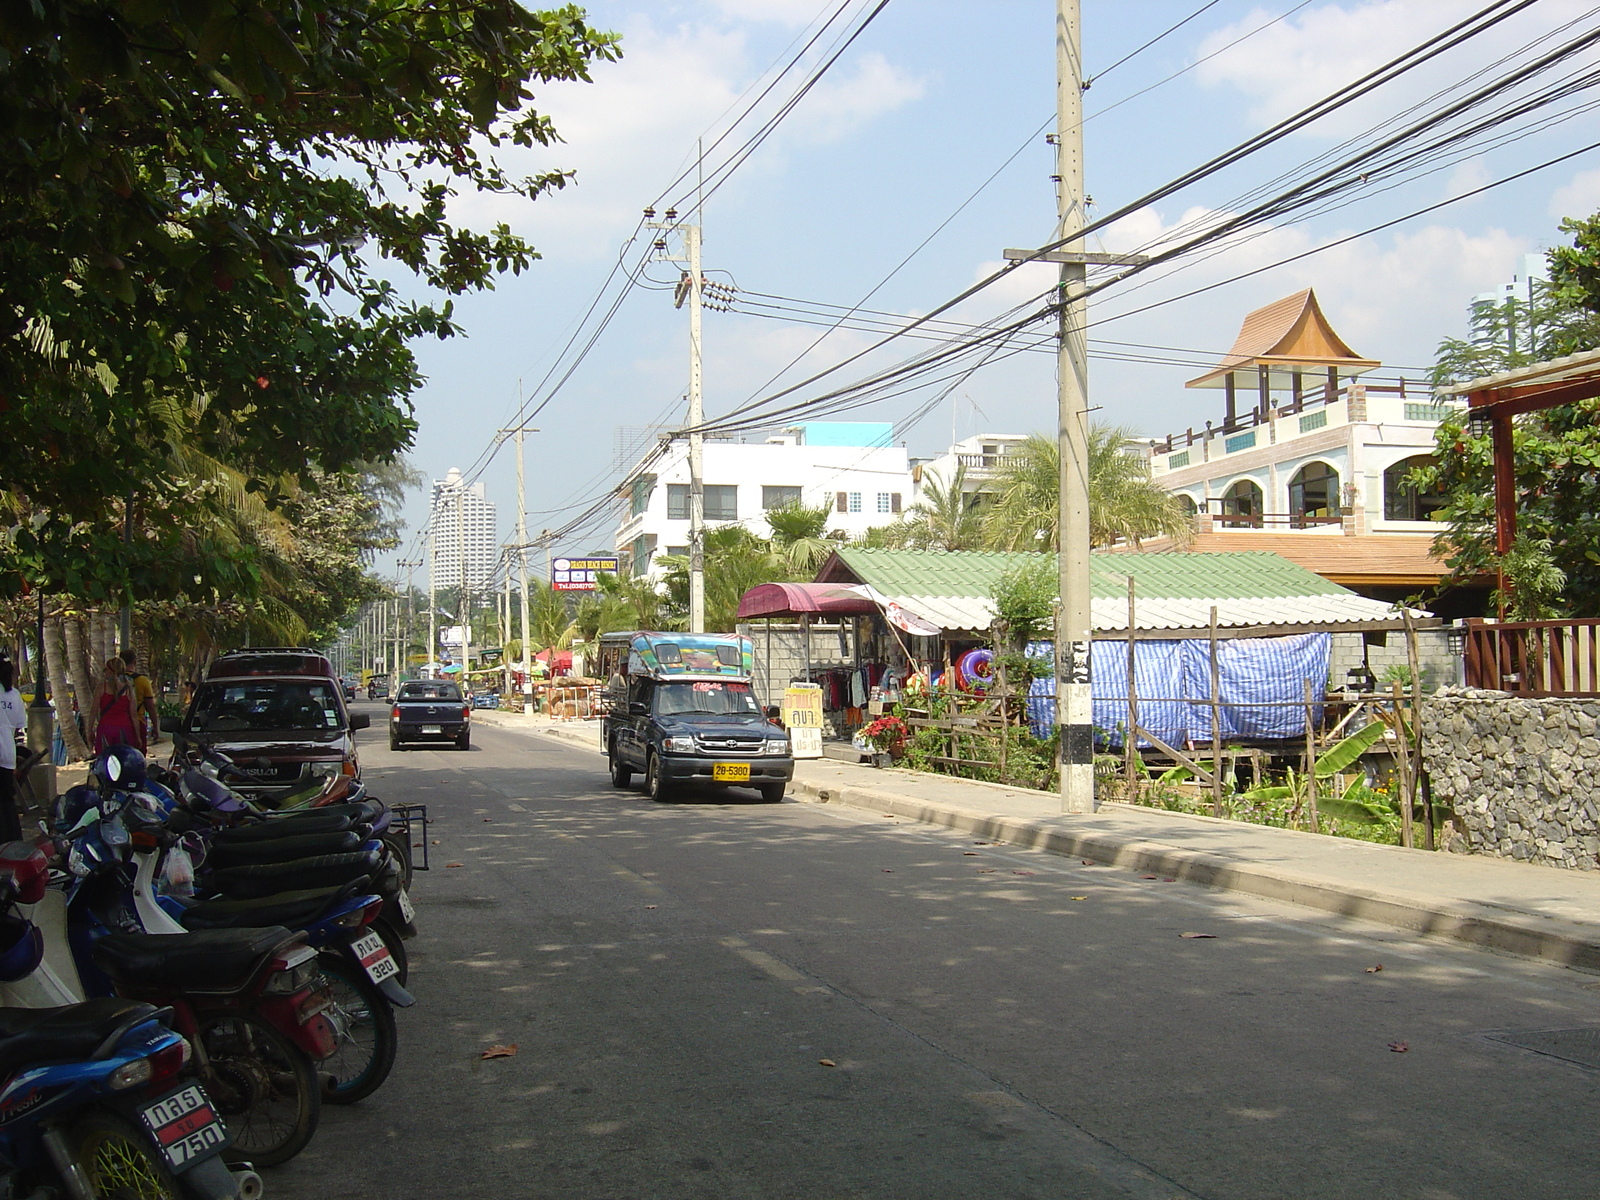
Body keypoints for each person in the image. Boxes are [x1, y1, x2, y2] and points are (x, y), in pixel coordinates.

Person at [0, 659, 26, 842]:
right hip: (7, 753)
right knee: (7, 801)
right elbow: (19, 724)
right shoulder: (14, 694)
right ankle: (13, 841)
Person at [94, 656, 143, 753]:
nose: (105, 672)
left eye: (106, 669)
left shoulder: (101, 688)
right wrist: (138, 736)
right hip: (124, 730)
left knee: (104, 760)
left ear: (110, 670)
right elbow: (133, 715)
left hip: (105, 728)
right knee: (123, 759)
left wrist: (89, 731)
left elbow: (93, 711)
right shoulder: (129, 689)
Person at [119, 647, 163, 746]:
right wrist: (155, 727)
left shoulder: (113, 681)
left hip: (117, 724)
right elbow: (150, 706)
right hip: (138, 723)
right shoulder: (142, 680)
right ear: (134, 662)